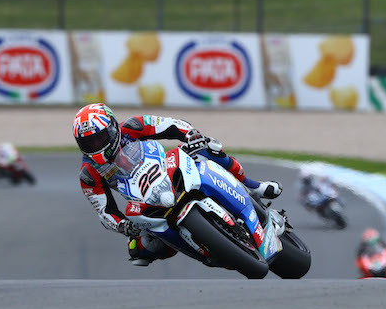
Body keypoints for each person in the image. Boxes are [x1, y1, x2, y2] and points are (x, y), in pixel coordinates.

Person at [72, 103, 282, 267]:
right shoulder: (89, 174)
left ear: (112, 129)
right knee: (140, 249)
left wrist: (190, 134)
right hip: (145, 202)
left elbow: (170, 124)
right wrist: (124, 226)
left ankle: (252, 186)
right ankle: (207, 249)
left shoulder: (133, 126)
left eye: (99, 139)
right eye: (88, 143)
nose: (95, 146)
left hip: (170, 170)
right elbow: (104, 211)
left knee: (209, 148)